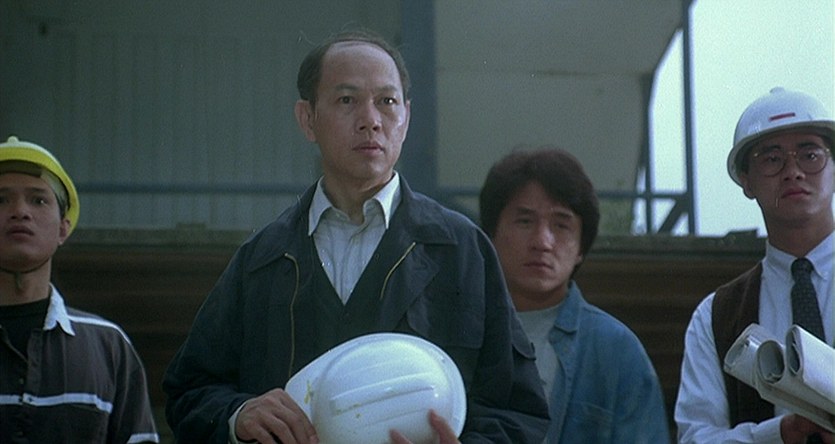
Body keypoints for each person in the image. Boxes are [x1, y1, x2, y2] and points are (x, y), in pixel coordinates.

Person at [163, 29, 549, 444]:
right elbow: (190, 392)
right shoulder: (263, 258)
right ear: (307, 119)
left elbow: (518, 411)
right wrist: (238, 416)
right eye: (347, 100)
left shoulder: (461, 250)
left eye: (387, 101)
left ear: (406, 118)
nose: (371, 120)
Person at [675, 87, 834, 444]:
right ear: (746, 180)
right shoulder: (716, 315)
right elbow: (696, 437)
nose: (793, 171)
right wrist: (779, 434)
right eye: (772, 159)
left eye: (810, 155)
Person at [479, 147, 670, 443]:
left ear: (581, 247)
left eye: (561, 225)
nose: (542, 242)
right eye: (525, 221)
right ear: (491, 234)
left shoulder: (617, 350)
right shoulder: (458, 333)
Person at [0, 136, 159, 443]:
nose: (20, 211)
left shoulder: (109, 346)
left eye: (38, 200)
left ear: (63, 227)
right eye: (0, 199)